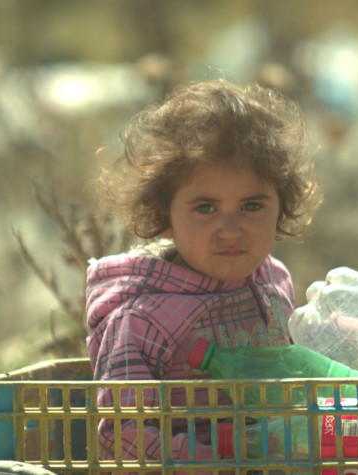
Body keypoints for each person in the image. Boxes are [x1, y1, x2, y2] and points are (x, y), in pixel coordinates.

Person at [85, 78, 322, 463]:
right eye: (206, 208)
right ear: (164, 215)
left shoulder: (273, 280)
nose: (230, 230)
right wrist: (217, 462)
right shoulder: (141, 320)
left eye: (251, 206)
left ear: (282, 206)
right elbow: (123, 434)